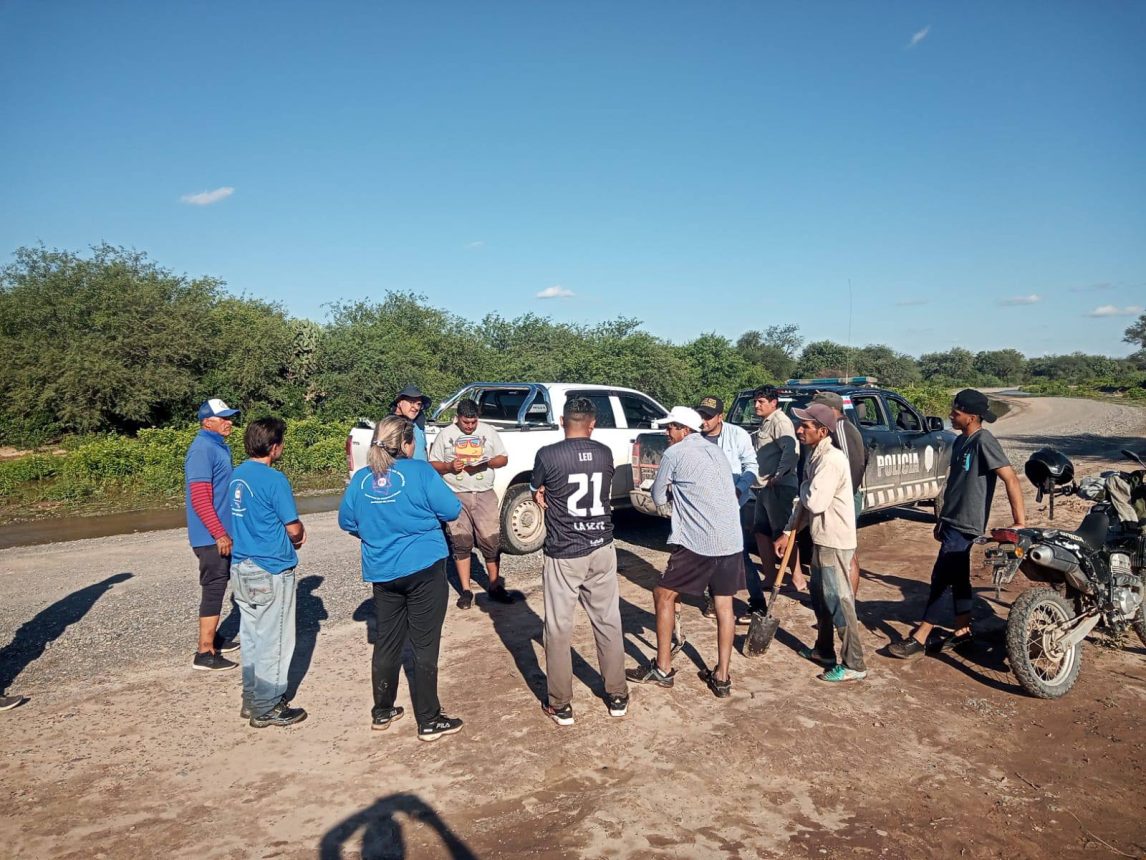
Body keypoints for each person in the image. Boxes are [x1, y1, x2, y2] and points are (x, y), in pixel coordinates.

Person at [339, 415, 465, 741]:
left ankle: (383, 710)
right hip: (424, 567)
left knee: (388, 641)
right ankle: (429, 719)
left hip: (382, 572)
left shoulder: (362, 479)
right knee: (424, 644)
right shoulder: (420, 471)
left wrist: (377, 532)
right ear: (408, 443)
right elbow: (451, 510)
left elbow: (347, 521)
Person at [889, 389, 1026, 660]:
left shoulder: (983, 440)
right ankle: (962, 632)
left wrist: (1020, 521)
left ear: (972, 417)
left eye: (957, 413)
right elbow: (954, 485)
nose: (951, 415)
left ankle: (920, 636)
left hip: (967, 523)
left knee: (941, 577)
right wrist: (941, 519)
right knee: (959, 578)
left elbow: (1010, 478)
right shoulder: (961, 440)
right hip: (952, 520)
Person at [626, 407, 745, 698]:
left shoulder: (674, 454)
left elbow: (656, 495)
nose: (667, 433)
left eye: (671, 428)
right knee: (724, 605)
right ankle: (722, 675)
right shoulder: (716, 451)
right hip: (731, 539)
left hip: (698, 541)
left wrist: (671, 498)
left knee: (663, 594)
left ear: (684, 429)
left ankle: (663, 669)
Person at [531, 397, 629, 725]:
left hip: (565, 551)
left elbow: (538, 488)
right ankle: (617, 693)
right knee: (608, 619)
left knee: (559, 627)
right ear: (592, 423)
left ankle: (560, 703)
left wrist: (541, 493)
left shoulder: (547, 454)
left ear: (562, 421)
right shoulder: (604, 453)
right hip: (602, 545)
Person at [774, 404, 865, 683]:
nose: (799, 430)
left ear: (822, 431)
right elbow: (806, 503)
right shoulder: (816, 455)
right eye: (799, 425)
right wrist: (789, 531)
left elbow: (813, 501)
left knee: (839, 602)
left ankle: (854, 664)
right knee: (821, 600)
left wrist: (802, 488)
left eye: (805, 427)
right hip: (821, 537)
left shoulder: (831, 460)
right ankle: (824, 651)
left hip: (834, 541)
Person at [229, 417, 308, 728]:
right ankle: (268, 705)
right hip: (271, 566)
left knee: (251, 636)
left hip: (241, 565)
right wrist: (301, 535)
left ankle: (252, 698)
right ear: (273, 447)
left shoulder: (237, 475)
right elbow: (292, 527)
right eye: (281, 443)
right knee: (275, 638)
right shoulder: (273, 480)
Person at [429, 399, 511, 609]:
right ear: (458, 418)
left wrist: (486, 462)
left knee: (491, 540)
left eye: (473, 422)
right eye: (466, 422)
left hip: (484, 493)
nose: (470, 426)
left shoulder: (488, 432)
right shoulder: (446, 435)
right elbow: (433, 464)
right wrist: (449, 466)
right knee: (461, 541)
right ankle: (466, 591)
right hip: (456, 495)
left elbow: (503, 459)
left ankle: (494, 586)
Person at [185, 398, 242, 671]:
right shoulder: (202, 449)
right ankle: (205, 652)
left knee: (220, 584)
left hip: (219, 531)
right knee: (215, 587)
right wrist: (219, 533)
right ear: (207, 421)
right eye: (223, 418)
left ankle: (215, 637)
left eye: (230, 417)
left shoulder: (217, 446)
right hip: (209, 535)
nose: (229, 422)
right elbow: (199, 497)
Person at [694, 396, 760, 623]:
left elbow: (751, 466)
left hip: (733, 506)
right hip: (704, 506)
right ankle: (714, 597)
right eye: (701, 415)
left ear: (720, 417)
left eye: (708, 416)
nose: (704, 421)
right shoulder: (694, 438)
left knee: (738, 554)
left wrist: (739, 489)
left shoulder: (737, 435)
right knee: (707, 553)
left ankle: (757, 603)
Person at [811, 391, 867, 595]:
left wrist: (841, 498)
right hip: (837, 497)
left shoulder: (842, 428)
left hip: (845, 498)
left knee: (846, 555)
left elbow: (853, 466)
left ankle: (846, 604)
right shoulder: (835, 428)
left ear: (831, 410)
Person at [751, 386, 801, 590]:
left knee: (783, 534)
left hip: (778, 488)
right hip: (763, 487)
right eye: (756, 401)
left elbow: (791, 450)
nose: (756, 405)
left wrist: (779, 476)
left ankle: (797, 579)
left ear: (774, 403)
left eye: (761, 401)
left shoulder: (780, 422)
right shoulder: (766, 423)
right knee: (760, 531)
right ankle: (771, 577)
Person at [391, 384, 432, 460]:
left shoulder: (419, 423)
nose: (416, 407)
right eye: (411, 402)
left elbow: (424, 449)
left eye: (419, 404)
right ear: (399, 402)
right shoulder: (389, 425)